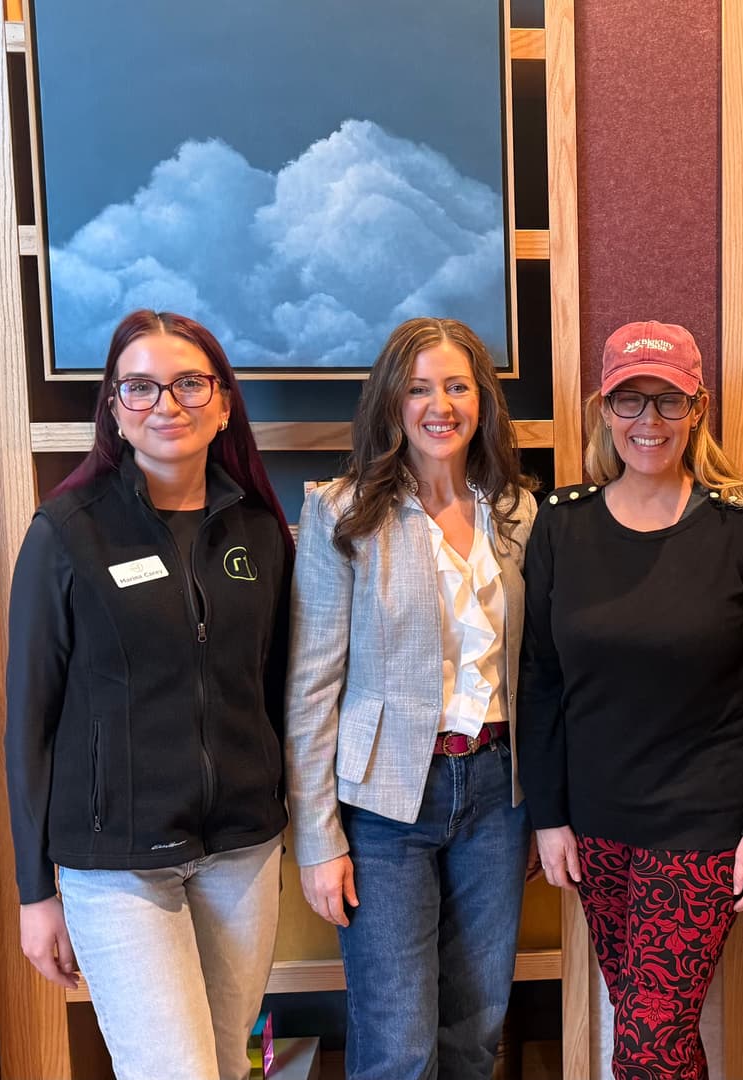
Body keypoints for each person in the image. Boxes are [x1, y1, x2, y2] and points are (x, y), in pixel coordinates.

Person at [5, 309, 294, 1080]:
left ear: (224, 402)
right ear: (113, 407)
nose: (167, 404)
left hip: (241, 853)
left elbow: (276, 690)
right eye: (141, 386)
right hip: (117, 864)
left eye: (189, 383)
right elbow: (28, 721)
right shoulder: (67, 532)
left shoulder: (261, 533)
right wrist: (36, 894)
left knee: (232, 1067)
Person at [518, 321, 743, 1080]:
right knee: (653, 1033)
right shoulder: (560, 523)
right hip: (596, 828)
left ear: (698, 407)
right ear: (604, 410)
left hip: (704, 830)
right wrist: (549, 818)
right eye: (630, 402)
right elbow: (540, 679)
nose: (649, 423)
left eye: (668, 401)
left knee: (649, 1038)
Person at [285, 317, 537, 1080]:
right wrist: (319, 838)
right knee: (399, 1042)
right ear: (391, 402)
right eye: (419, 387)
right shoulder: (343, 512)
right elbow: (310, 688)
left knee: (477, 1025)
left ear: (482, 400)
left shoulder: (521, 512)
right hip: (385, 804)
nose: (440, 405)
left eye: (457, 386)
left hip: (497, 793)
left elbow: (539, 670)